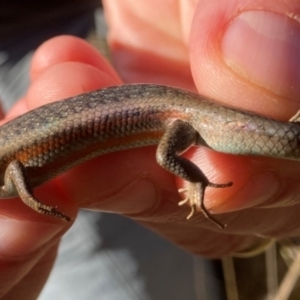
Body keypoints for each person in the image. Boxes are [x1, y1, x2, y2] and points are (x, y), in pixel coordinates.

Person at [1, 0, 300, 299]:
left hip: (175, 116)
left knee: (164, 158)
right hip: (152, 101)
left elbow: (14, 169)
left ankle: (199, 182)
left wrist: (29, 198)